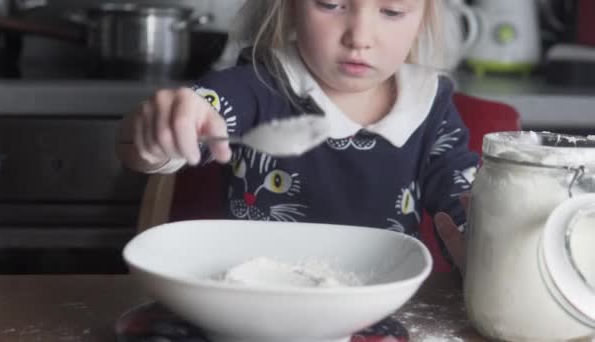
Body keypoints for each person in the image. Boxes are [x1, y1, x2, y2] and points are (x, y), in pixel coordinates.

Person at [116, 0, 477, 274]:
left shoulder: (431, 104)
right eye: (330, 4)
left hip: (379, 304)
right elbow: (197, 118)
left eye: (393, 11)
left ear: (422, 19)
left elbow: (464, 205)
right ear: (289, 7)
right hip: (256, 304)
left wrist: (480, 239)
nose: (360, 38)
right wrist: (156, 133)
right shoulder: (255, 85)